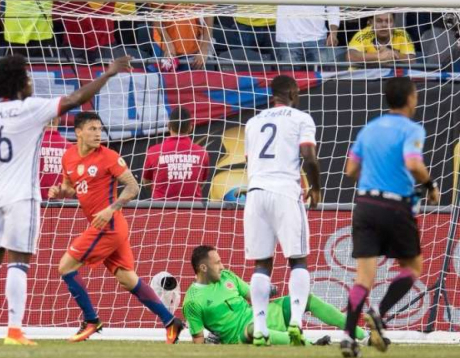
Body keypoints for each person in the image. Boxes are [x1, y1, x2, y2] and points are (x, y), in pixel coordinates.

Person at [0, 55, 132, 345]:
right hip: (22, 196)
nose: (31, 81)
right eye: (27, 77)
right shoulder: (31, 108)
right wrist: (108, 74)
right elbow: (77, 97)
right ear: (19, 83)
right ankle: (14, 331)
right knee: (18, 262)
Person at [48, 111, 185, 343]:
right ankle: (171, 322)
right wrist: (60, 191)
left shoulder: (109, 156)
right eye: (92, 129)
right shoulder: (68, 157)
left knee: (65, 266)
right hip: (104, 225)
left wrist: (111, 208)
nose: (97, 134)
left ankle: (91, 320)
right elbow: (71, 186)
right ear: (78, 132)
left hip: (109, 225)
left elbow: (133, 187)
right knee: (127, 279)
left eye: (100, 129)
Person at [340, 77, 440, 357]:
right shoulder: (411, 128)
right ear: (410, 98)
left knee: (363, 279)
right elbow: (412, 162)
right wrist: (430, 185)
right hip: (396, 207)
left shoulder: (368, 129)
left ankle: (348, 337)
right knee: (412, 267)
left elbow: (350, 170)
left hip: (365, 204)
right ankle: (379, 313)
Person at [243, 75, 322, 346]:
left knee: (261, 263)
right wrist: (316, 187)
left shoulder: (252, 123)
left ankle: (261, 329)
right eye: (297, 90)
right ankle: (296, 322)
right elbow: (309, 157)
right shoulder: (301, 118)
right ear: (290, 91)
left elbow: (249, 161)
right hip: (285, 192)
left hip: (255, 194)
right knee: (298, 260)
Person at [183, 245, 367, 345]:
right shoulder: (192, 301)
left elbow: (252, 296)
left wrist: (266, 290)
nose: (222, 266)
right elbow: (198, 340)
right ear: (203, 268)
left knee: (304, 299)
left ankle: (363, 335)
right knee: (257, 329)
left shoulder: (227, 276)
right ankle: (311, 345)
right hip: (242, 333)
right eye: (217, 263)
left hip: (261, 314)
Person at [142, 107, 209, 200]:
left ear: (169, 126)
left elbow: (146, 183)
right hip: (192, 211)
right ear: (191, 127)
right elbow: (201, 183)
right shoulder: (201, 152)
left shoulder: (154, 151)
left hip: (160, 210)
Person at [275, 0, 340, 68]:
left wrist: (333, 33)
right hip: (288, 39)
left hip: (317, 39)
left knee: (321, 78)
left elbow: (333, 7)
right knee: (289, 79)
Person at [152, 0, 215, 70]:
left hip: (193, 47)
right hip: (163, 44)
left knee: (188, 82)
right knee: (162, 82)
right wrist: (168, 42)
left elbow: (209, 15)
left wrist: (204, 47)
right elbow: (155, 13)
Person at [347, 13, 415, 64]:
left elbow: (411, 60)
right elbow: (350, 56)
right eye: (379, 21)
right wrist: (378, 56)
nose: (384, 25)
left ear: (394, 23)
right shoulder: (362, 35)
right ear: (371, 23)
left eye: (388, 21)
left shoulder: (402, 35)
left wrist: (392, 54)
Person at [40, 117, 72, 200]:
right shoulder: (71, 148)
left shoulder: (32, 146)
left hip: (37, 207)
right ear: (60, 120)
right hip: (64, 208)